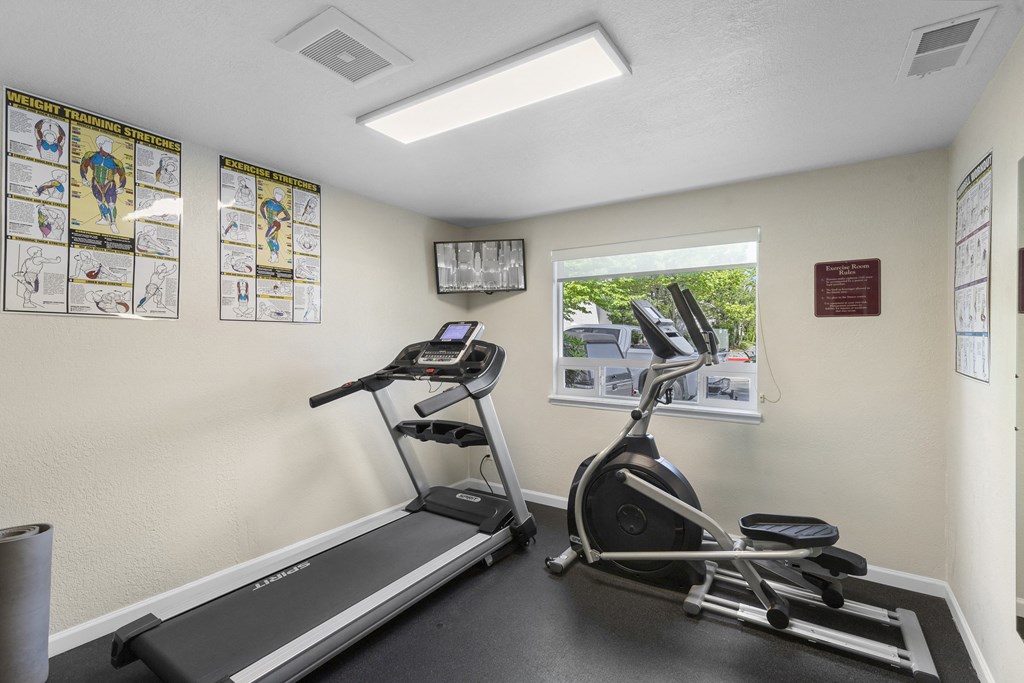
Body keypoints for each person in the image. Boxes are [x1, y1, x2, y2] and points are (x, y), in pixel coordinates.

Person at [79, 135, 127, 232]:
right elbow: (84, 165)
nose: (110, 146)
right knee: (99, 202)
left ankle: (113, 223)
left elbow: (122, 175)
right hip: (96, 183)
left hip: (109, 184)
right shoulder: (92, 155)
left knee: (111, 204)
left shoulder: (115, 161)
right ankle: (105, 218)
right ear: (100, 145)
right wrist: (84, 178)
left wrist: (122, 186)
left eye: (110, 144)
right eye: (107, 143)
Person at [259, 188, 290, 264]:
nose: (278, 197)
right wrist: (264, 218)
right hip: (270, 224)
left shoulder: (281, 206)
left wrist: (280, 219)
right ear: (274, 194)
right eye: (277, 194)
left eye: (280, 196)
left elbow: (288, 217)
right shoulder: (268, 201)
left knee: (267, 237)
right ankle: (275, 257)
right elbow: (261, 207)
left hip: (275, 224)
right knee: (273, 239)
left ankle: (274, 255)